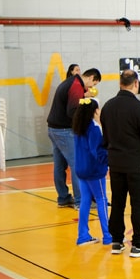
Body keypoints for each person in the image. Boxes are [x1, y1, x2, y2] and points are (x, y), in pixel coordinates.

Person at [101, 70, 140, 257]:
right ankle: (138, 243)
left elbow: (105, 136)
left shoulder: (107, 107)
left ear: (120, 83)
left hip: (116, 164)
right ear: (136, 84)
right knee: (138, 205)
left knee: (118, 203)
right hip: (137, 164)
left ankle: (117, 241)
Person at [47, 67, 101, 208]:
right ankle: (81, 201)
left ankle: (63, 198)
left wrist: (84, 96)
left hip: (54, 128)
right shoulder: (76, 86)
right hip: (64, 131)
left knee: (59, 165)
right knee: (77, 164)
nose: (92, 87)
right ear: (91, 78)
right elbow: (72, 111)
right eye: (94, 83)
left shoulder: (72, 82)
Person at [72, 98, 110, 246]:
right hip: (94, 171)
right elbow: (97, 151)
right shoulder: (93, 128)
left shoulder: (78, 127)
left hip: (81, 169)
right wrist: (108, 161)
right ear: (94, 111)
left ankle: (82, 235)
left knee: (85, 200)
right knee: (101, 199)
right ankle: (108, 235)